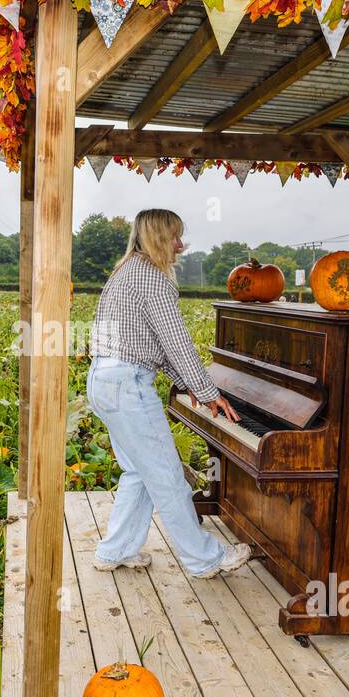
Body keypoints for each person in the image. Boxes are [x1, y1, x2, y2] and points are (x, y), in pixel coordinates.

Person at [87, 209, 252, 579]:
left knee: (138, 472)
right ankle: (205, 559)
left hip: (104, 380)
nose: (181, 244)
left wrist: (188, 383)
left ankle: (115, 551)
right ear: (159, 238)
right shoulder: (152, 277)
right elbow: (176, 343)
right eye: (175, 237)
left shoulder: (126, 271)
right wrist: (207, 392)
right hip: (127, 385)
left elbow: (159, 347)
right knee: (169, 476)